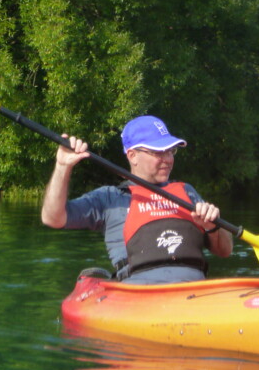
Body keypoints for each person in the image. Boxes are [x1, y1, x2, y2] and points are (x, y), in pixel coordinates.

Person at [41, 115, 233, 284]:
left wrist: (212, 226)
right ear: (133, 156)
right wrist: (62, 166)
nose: (168, 159)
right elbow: (53, 218)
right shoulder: (110, 198)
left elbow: (225, 251)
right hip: (140, 297)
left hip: (194, 291)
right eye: (158, 152)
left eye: (171, 151)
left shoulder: (187, 192)